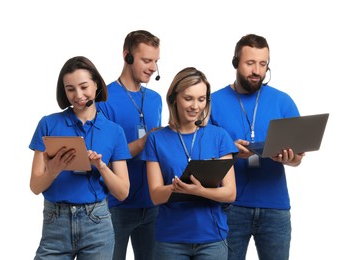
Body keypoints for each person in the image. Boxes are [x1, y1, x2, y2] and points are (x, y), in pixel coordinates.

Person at [209, 34, 305, 260]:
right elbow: (201, 157)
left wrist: (289, 158)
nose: (257, 71)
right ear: (235, 63)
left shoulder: (283, 101)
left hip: (275, 208)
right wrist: (230, 154)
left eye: (263, 64)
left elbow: (298, 158)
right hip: (230, 207)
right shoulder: (212, 102)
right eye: (250, 63)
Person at [29, 56, 131, 260]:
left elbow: (122, 192)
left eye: (84, 86)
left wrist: (101, 166)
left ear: (96, 85)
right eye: (70, 89)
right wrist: (55, 169)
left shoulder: (114, 131)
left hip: (97, 223)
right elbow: (35, 186)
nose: (78, 95)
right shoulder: (48, 124)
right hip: (55, 221)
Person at [141, 67, 238, 260]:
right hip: (170, 241)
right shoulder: (156, 139)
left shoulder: (219, 136)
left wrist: (199, 191)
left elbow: (230, 193)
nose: (195, 106)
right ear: (174, 98)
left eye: (201, 99)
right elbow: (155, 195)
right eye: (189, 98)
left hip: (212, 239)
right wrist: (181, 188)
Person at [97, 29, 162, 260]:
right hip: (116, 206)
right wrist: (144, 142)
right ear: (127, 56)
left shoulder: (155, 99)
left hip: (153, 204)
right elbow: (103, 157)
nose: (153, 67)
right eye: (147, 60)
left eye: (156, 61)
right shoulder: (103, 99)